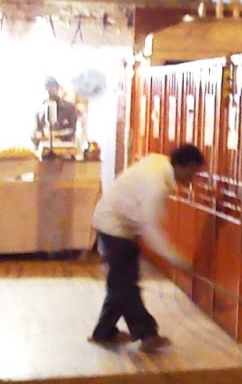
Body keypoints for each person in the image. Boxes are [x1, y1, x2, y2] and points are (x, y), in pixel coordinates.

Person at [88, 144, 205, 353]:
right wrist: (177, 260)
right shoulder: (156, 185)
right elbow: (151, 229)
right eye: (193, 172)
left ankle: (104, 332)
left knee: (120, 283)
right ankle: (147, 334)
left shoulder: (159, 163)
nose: (192, 179)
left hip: (119, 225)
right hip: (113, 227)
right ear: (183, 166)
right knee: (126, 284)